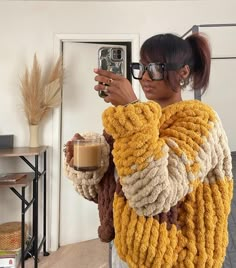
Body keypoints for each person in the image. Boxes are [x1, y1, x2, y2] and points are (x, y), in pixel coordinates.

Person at [64, 32, 233, 268]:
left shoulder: (201, 121)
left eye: (154, 68)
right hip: (127, 252)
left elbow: (153, 197)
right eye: (140, 67)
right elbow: (108, 194)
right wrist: (87, 165)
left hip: (178, 259)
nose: (143, 77)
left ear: (183, 72)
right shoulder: (135, 121)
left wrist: (132, 108)